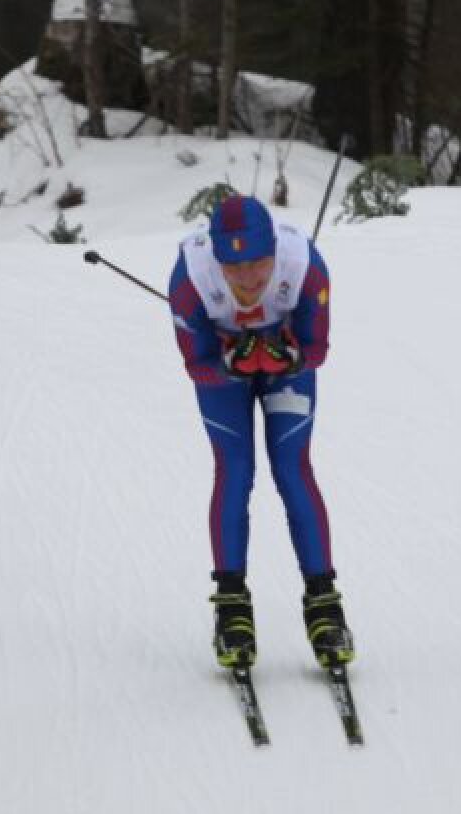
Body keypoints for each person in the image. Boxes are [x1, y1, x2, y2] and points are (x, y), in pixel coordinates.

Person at [167, 195, 355, 670]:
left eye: (258, 263)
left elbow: (317, 348)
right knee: (235, 470)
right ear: (217, 261)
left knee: (292, 469)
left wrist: (289, 356)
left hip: (283, 366)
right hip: (225, 370)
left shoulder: (306, 266)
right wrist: (229, 363)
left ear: (274, 249)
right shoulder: (190, 279)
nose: (249, 280)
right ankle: (231, 606)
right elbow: (196, 363)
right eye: (234, 268)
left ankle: (324, 604)